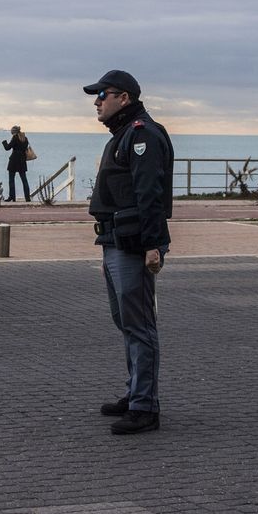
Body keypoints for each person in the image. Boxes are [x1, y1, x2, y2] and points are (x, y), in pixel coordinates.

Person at [84, 69, 175, 435]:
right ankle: (134, 392)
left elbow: (149, 194)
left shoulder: (142, 135)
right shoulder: (124, 134)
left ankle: (144, 407)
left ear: (124, 98)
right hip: (115, 240)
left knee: (139, 325)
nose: (97, 102)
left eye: (102, 94)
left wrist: (152, 245)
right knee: (126, 322)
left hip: (134, 243)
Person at [1, 126, 32, 202]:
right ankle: (27, 198)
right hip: (22, 161)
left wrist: (4, 142)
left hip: (14, 160)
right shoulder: (25, 138)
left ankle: (12, 197)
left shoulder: (15, 138)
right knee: (24, 180)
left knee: (11, 180)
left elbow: (7, 148)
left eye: (11, 131)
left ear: (14, 131)